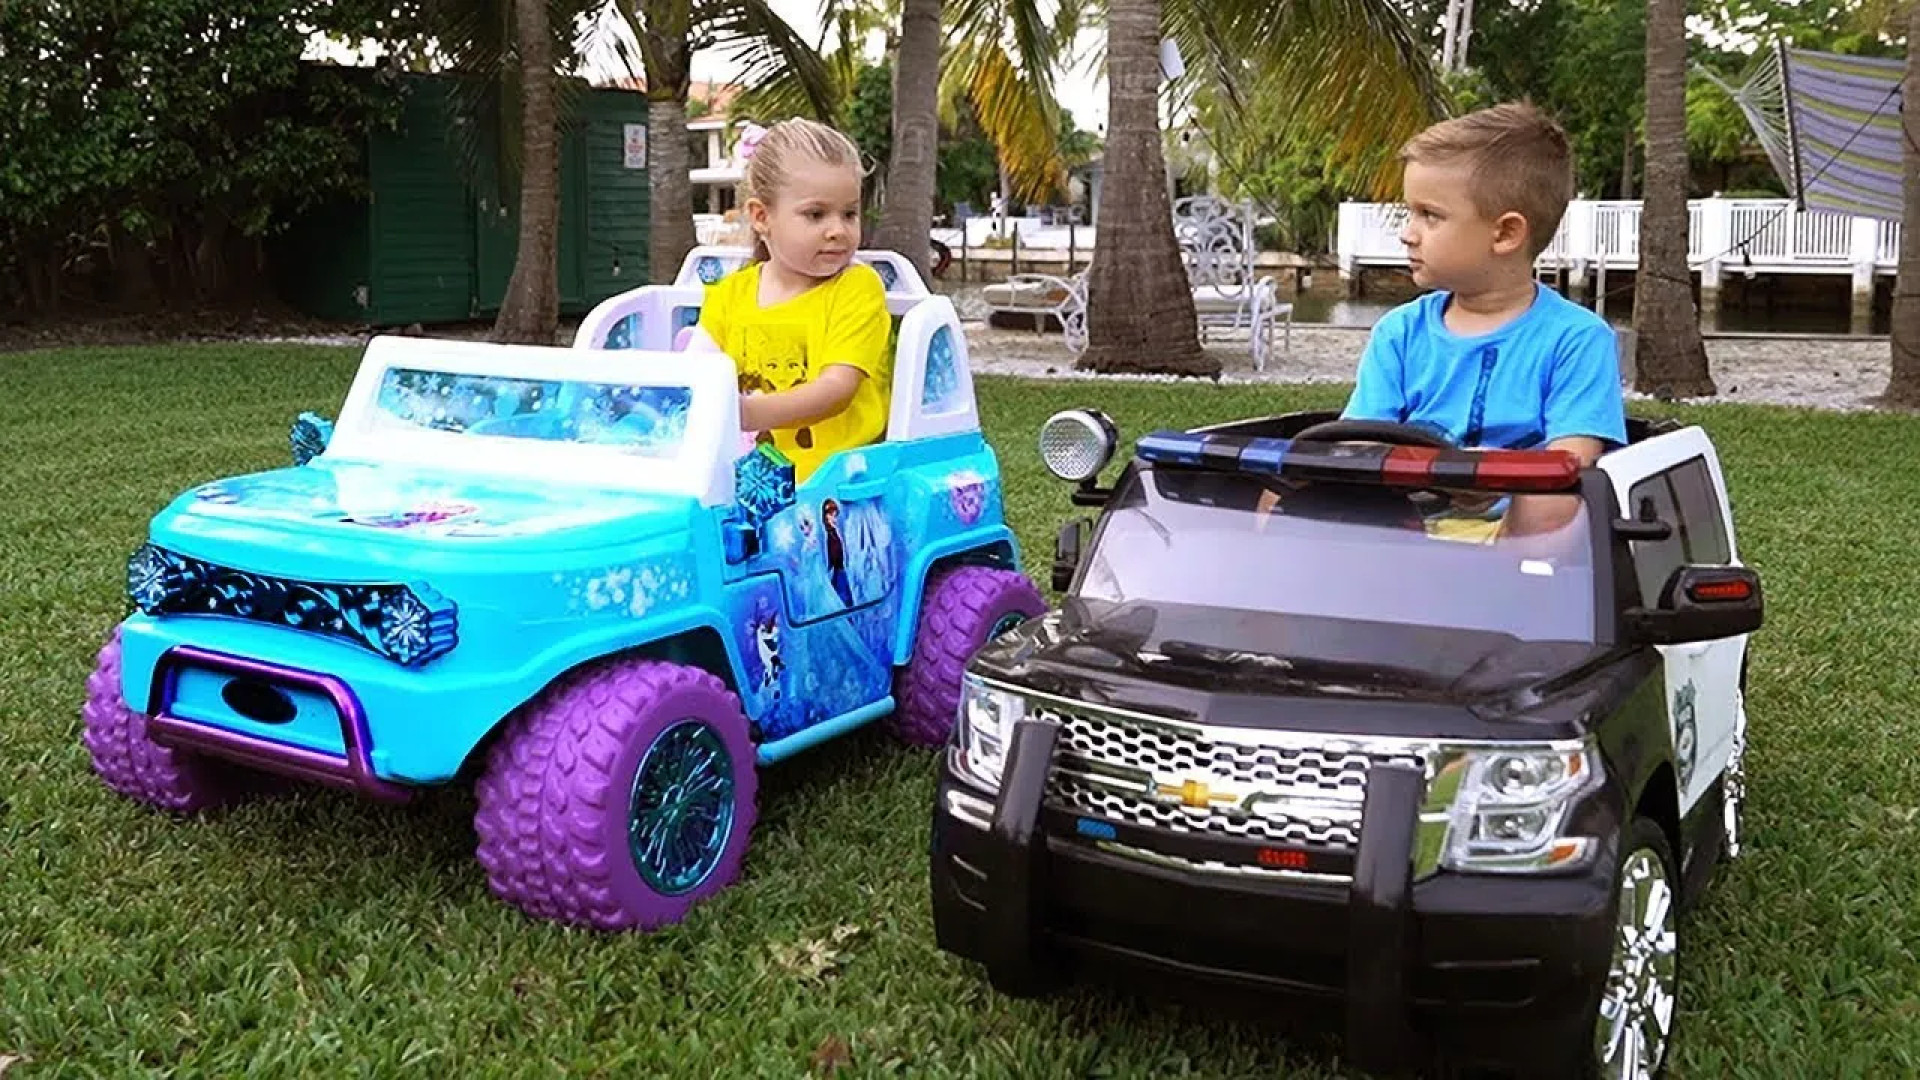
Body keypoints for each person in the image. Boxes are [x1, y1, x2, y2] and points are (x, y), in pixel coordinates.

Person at [1341, 101, 1627, 538]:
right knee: (1280, 491)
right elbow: (1359, 442)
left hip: (1511, 535)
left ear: (1505, 234)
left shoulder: (1577, 338)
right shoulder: (1398, 333)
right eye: (1409, 213)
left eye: (1429, 215)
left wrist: (1490, 482)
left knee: (1551, 502)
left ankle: (1498, 595)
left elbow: (1573, 457)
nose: (1407, 232)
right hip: (1402, 526)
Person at [686, 118, 892, 482]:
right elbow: (694, 378)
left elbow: (835, 390)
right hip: (742, 476)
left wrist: (741, 412)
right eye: (816, 214)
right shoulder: (730, 294)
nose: (838, 230)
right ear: (762, 217)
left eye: (849, 214)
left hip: (838, 481)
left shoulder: (858, 289)